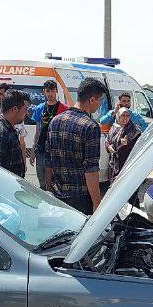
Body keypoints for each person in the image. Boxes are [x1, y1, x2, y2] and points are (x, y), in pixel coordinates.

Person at [44, 77, 106, 213]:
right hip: (80, 199)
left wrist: (48, 188)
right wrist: (97, 204)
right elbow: (91, 169)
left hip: (57, 195)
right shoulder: (91, 127)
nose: (100, 105)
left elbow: (48, 160)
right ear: (92, 100)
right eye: (100, 100)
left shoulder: (55, 121)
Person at [0, 89, 31, 177]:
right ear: (15, 109)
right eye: (26, 109)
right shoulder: (0, 133)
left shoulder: (8, 128)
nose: (27, 113)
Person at [31, 80, 70, 188]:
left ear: (56, 91)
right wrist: (34, 150)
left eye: (53, 91)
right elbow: (37, 131)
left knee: (57, 180)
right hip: (42, 149)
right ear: (44, 92)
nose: (50, 94)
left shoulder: (64, 109)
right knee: (42, 180)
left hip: (57, 150)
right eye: (48, 91)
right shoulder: (39, 108)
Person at [106, 107, 142, 179]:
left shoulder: (134, 129)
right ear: (118, 116)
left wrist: (127, 143)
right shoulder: (114, 127)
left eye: (127, 115)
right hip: (114, 161)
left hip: (127, 161)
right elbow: (108, 140)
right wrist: (108, 146)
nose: (125, 118)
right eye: (123, 115)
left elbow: (139, 144)